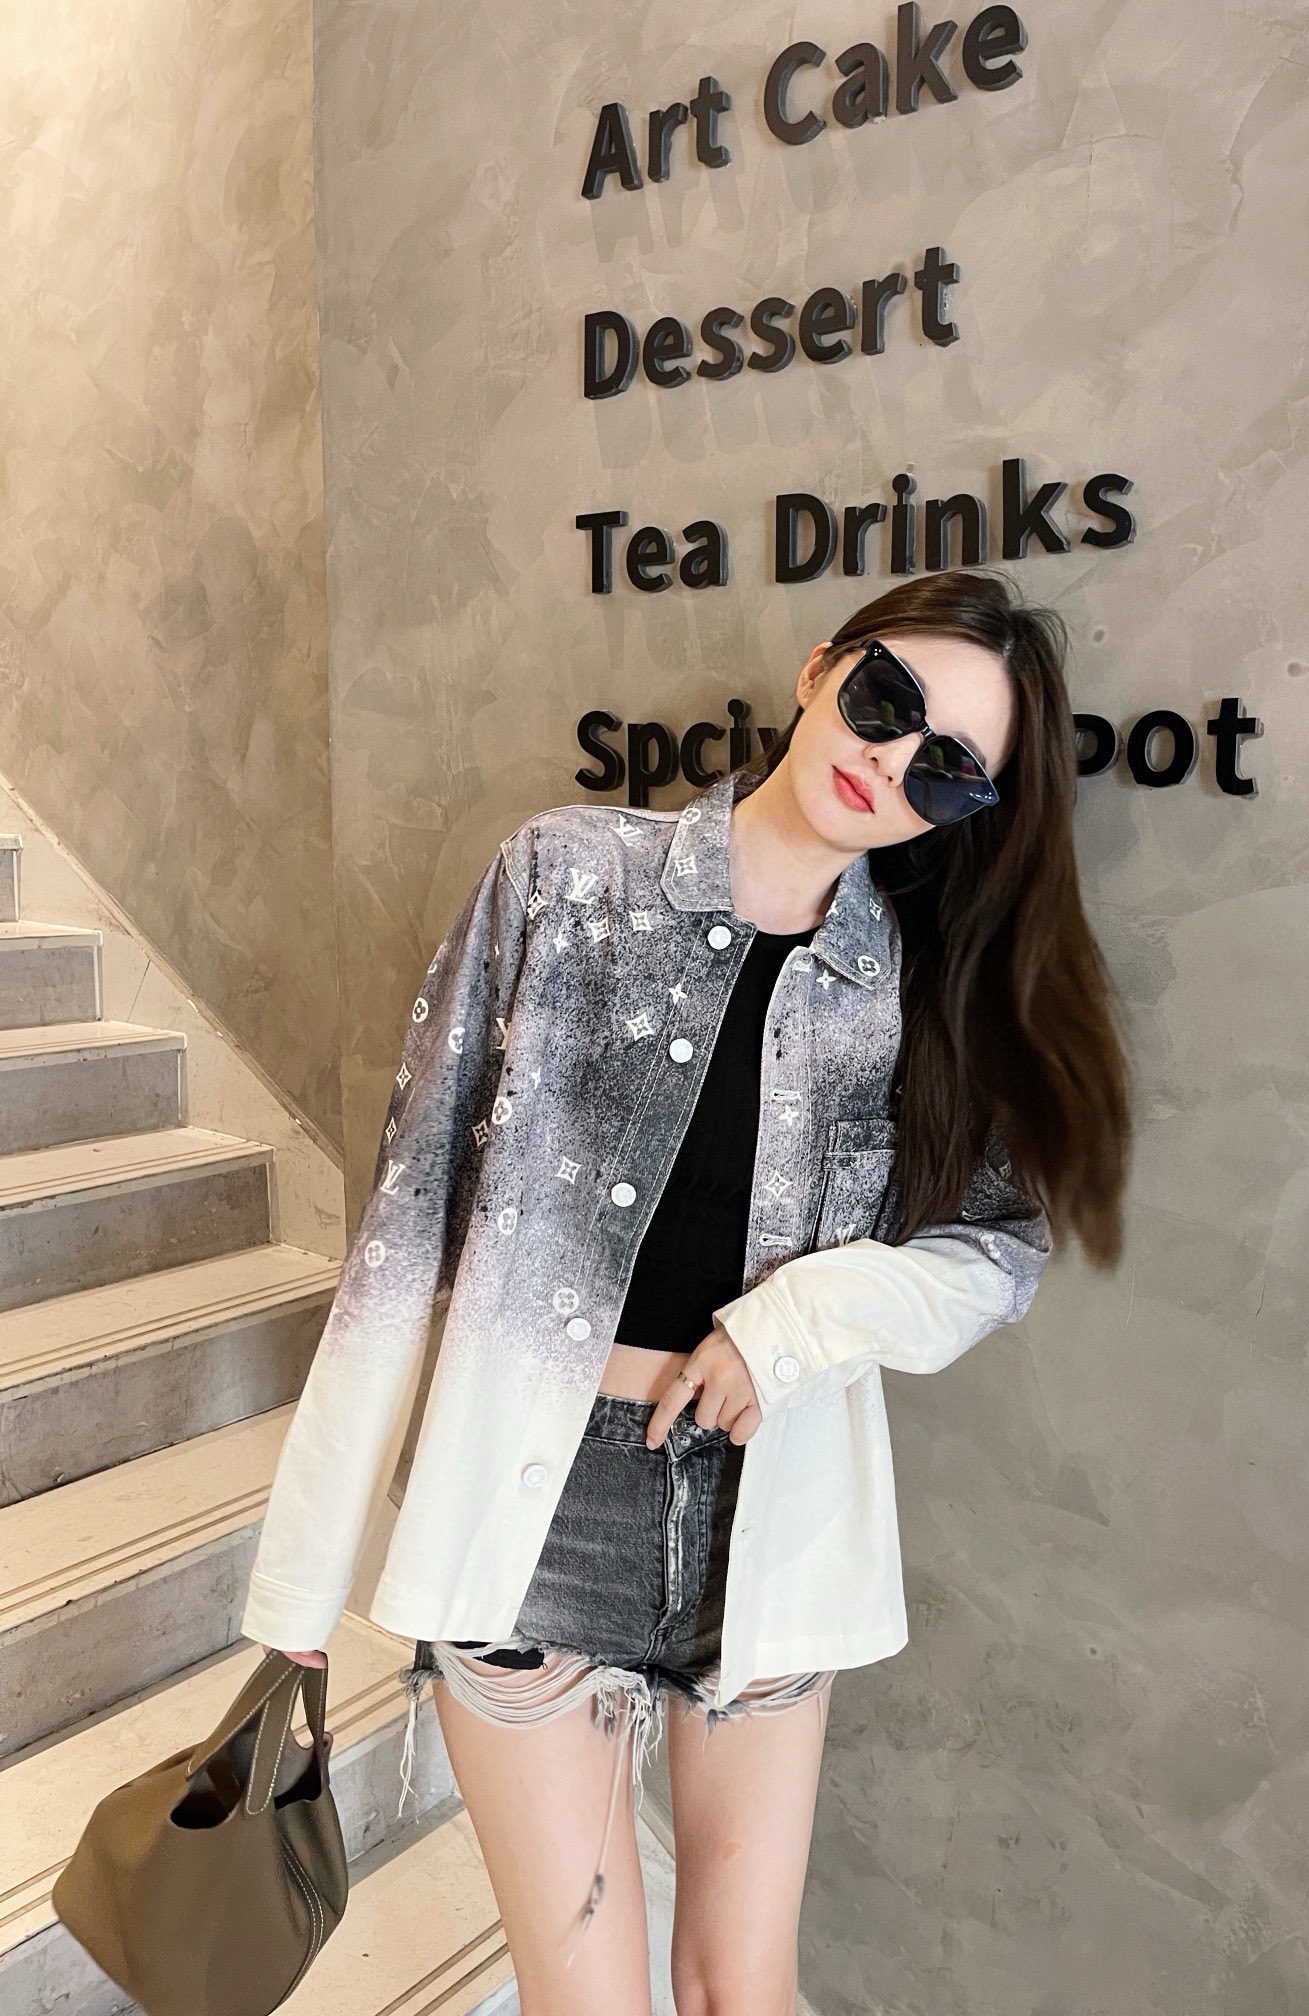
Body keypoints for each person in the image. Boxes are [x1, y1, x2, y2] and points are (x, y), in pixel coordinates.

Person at [241, 565, 1132, 2013]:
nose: (892, 759)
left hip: (772, 1510)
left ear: (964, 812)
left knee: (742, 1989)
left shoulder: (920, 988)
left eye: (949, 768)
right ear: (819, 670)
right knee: (587, 1997)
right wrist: (302, 1579)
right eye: (886, 700)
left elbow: (996, 1254)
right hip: (542, 1519)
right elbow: (408, 1220)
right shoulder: (563, 878)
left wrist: (796, 1327)